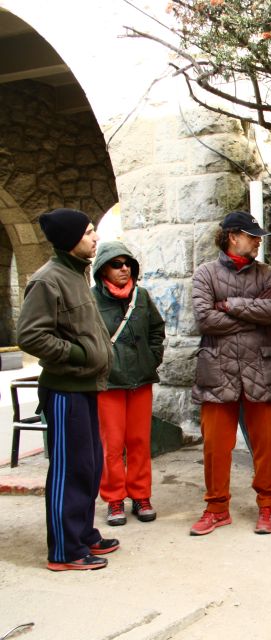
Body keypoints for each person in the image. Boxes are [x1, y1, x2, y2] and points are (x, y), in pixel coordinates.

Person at [17, 208, 118, 571]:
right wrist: (76, 355)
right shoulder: (48, 280)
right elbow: (30, 335)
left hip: (85, 386)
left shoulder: (76, 274)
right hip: (64, 390)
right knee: (69, 468)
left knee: (89, 466)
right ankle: (64, 550)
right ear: (70, 239)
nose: (95, 238)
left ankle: (82, 533)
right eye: (89, 232)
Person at [190, 211, 271, 536]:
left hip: (259, 369)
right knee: (215, 446)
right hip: (217, 371)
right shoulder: (205, 274)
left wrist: (228, 305)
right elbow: (204, 319)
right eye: (252, 235)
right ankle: (216, 508)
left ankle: (268, 507)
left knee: (265, 445)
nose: (258, 241)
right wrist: (251, 312)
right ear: (232, 236)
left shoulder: (267, 273)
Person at [92, 241, 166, 526]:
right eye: (116, 264)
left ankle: (140, 495)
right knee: (112, 444)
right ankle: (113, 499)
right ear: (103, 270)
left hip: (140, 380)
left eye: (127, 264)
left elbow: (156, 329)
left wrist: (152, 358)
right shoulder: (92, 300)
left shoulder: (142, 296)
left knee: (139, 442)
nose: (123, 269)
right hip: (109, 383)